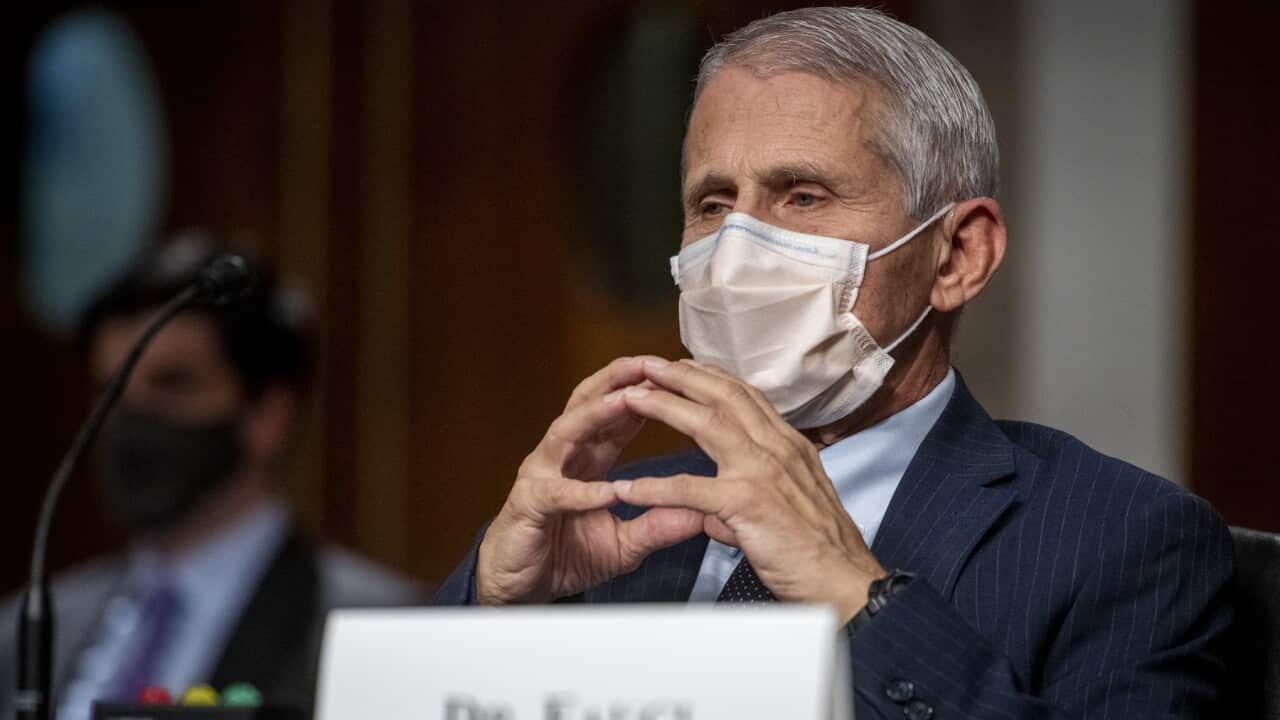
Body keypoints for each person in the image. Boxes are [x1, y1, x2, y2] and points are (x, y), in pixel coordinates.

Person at [434, 7, 1232, 719]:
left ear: (958, 256)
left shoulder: (1121, 541)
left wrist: (855, 592)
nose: (736, 249)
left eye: (803, 195)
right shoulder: (612, 524)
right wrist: (494, 607)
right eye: (712, 204)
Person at [0, 233, 423, 719]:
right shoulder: (27, 629)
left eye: (172, 384)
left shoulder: (371, 628)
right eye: (112, 391)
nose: (131, 418)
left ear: (269, 415)